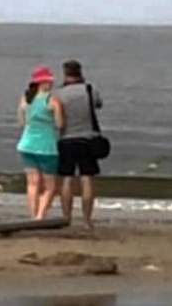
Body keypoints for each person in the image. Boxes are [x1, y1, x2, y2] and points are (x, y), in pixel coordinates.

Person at [54, 58, 104, 229]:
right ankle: (87, 220)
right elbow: (98, 105)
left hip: (66, 138)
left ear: (65, 73)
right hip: (87, 139)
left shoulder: (58, 94)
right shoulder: (89, 90)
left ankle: (66, 217)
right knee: (86, 178)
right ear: (80, 72)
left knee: (67, 178)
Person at [16, 65, 63, 219]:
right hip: (46, 147)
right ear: (45, 83)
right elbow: (59, 124)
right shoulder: (52, 100)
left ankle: (33, 214)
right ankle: (40, 216)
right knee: (50, 186)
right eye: (50, 81)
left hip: (26, 144)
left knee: (32, 184)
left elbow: (22, 122)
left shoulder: (26, 99)